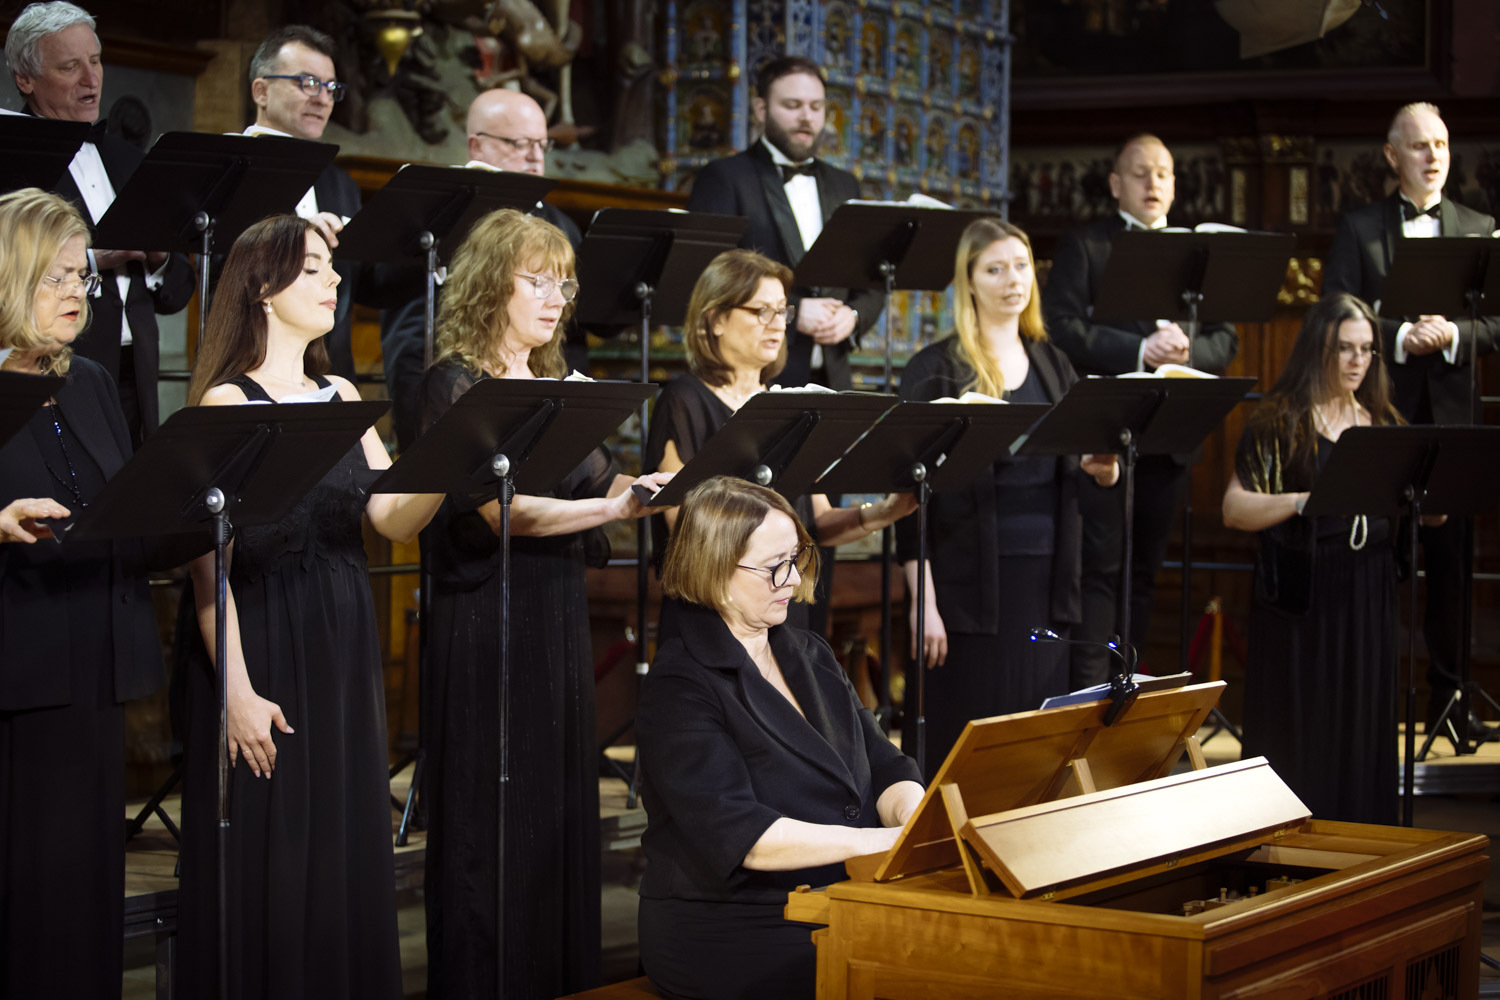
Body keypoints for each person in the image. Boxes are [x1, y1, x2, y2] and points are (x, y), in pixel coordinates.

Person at [174, 214, 443, 999]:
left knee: (338, 844)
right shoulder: (228, 401)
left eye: (332, 267)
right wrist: (237, 694)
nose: (334, 282)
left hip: (342, 645)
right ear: (262, 286)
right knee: (277, 848)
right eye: (315, 267)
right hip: (265, 646)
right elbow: (207, 569)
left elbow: (391, 518)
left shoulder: (343, 393)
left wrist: (450, 459)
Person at [418, 208, 672, 999]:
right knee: (489, 814)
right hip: (486, 616)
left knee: (555, 806)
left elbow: (602, 480)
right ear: (492, 285)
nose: (557, 298)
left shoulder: (556, 386)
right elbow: (501, 514)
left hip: (554, 605)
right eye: (539, 281)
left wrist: (657, 486)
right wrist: (614, 509)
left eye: (564, 284)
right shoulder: (454, 384)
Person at [636, 475, 925, 1000]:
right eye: (774, 566)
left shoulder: (809, 652)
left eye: (796, 558)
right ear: (715, 569)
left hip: (836, 896)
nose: (792, 579)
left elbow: (884, 764)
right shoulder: (680, 684)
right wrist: (885, 843)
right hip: (733, 928)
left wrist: (915, 819)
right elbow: (742, 834)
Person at [0, 188, 163, 997]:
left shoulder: (92, 380)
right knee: (25, 890)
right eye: (56, 277)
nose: (76, 293)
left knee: (88, 886)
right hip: (18, 671)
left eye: (82, 277)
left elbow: (120, 501)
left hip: (96, 666)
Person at [898, 218, 1118, 779]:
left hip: (1047, 585)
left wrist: (1104, 471)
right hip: (967, 592)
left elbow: (1083, 472)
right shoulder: (935, 370)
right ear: (968, 281)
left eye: (1021, 266)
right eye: (995, 269)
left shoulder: (1054, 363)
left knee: (1036, 748)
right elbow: (910, 502)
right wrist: (923, 601)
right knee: (970, 749)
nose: (1013, 280)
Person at [1322, 102, 1500, 737]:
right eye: (1420, 146)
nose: (1434, 156)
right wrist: (1398, 335)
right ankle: (1370, 700)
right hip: (1382, 408)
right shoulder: (1360, 227)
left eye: (1442, 144)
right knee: (1378, 555)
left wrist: (1455, 334)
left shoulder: (1480, 226)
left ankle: (1449, 700)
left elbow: (1497, 322)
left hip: (1454, 415)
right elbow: (1336, 306)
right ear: (1393, 155)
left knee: (1453, 564)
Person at [1041, 132, 1239, 687]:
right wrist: (1139, 351)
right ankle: (1088, 690)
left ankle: (1126, 683)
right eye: (1140, 172)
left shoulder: (1198, 252)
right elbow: (1060, 326)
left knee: (1146, 573)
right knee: (1099, 570)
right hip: (1105, 436)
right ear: (1115, 184)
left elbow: (1225, 339)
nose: (1154, 182)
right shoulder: (1087, 245)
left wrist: (1187, 352)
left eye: (1164, 173)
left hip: (1171, 436)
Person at [643, 248, 915, 638]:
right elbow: (682, 526)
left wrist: (883, 513)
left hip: (783, 612)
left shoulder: (790, 407)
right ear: (716, 319)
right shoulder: (684, 400)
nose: (777, 325)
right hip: (716, 616)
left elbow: (819, 525)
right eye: (761, 311)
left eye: (782, 312)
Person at [1222, 292, 1402, 825]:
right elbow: (1234, 508)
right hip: (1305, 596)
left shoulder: (1383, 422)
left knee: (1359, 720)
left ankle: (1363, 842)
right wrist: (1302, 501)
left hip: (1368, 588)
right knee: (1306, 725)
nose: (1356, 361)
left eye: (1366, 349)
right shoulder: (1280, 419)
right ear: (1317, 349)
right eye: (1344, 348)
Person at [7, 1, 195, 445]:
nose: (91, 80)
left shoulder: (131, 159)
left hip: (138, 374)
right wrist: (92, 259)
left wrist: (160, 258)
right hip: (56, 369)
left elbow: (178, 291)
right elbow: (8, 276)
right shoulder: (11, 158)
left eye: (95, 61)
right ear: (25, 79)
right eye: (70, 67)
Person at [381, 87, 586, 451]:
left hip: (533, 367)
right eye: (520, 144)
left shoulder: (558, 224)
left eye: (543, 145)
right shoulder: (437, 207)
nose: (536, 157)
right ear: (476, 146)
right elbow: (383, 284)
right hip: (439, 367)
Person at [686, 55, 883, 391]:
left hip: (834, 378)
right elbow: (705, 277)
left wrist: (853, 317)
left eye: (816, 107)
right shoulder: (724, 178)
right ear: (761, 109)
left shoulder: (845, 185)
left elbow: (872, 276)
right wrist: (791, 312)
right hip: (754, 378)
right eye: (792, 105)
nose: (807, 117)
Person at [242, 24, 418, 380]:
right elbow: (221, 273)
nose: (323, 99)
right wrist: (297, 237)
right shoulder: (232, 169)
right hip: (251, 369)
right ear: (261, 91)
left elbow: (369, 286)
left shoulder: (340, 183)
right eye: (307, 83)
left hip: (332, 374)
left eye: (331, 88)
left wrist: (427, 249)